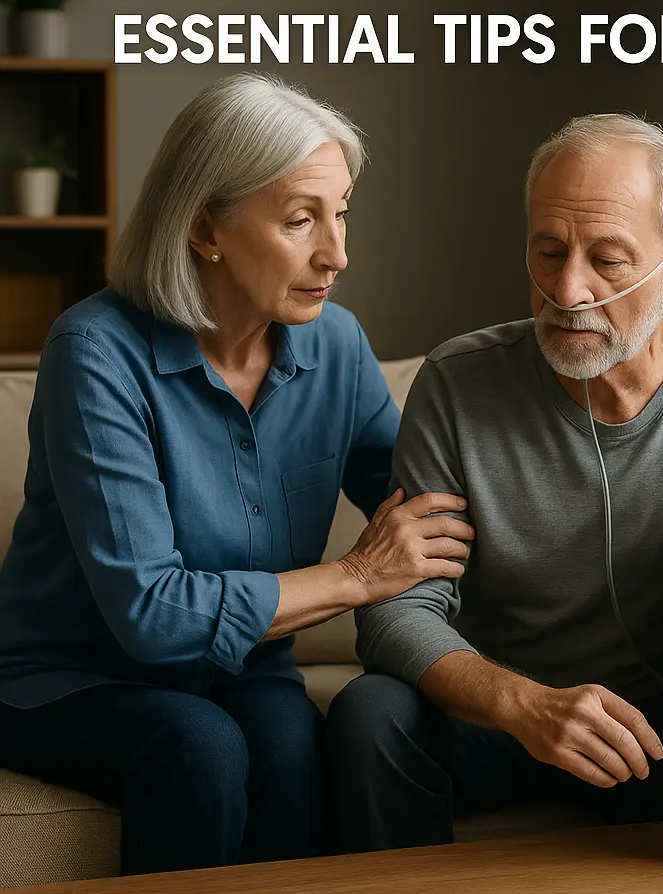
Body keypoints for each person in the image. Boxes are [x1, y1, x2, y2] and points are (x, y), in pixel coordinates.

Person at [0, 73, 473, 875]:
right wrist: (354, 575)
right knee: (202, 745)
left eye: (342, 211)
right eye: (301, 220)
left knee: (293, 744)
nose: (338, 252)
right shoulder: (95, 355)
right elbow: (150, 613)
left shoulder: (336, 345)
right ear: (204, 226)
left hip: (245, 665)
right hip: (67, 680)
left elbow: (427, 502)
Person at [326, 113, 663, 851]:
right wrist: (524, 705)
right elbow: (396, 612)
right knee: (370, 711)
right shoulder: (458, 385)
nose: (568, 288)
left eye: (608, 260)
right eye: (548, 251)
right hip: (500, 717)